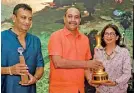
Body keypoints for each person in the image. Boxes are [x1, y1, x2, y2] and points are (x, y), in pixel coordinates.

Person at [48, 7, 103, 93]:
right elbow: (58, 63)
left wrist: (90, 79)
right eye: (70, 16)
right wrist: (87, 63)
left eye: (76, 17)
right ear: (64, 18)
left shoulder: (85, 39)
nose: (73, 20)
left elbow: (86, 66)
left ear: (80, 20)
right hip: (60, 90)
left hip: (79, 89)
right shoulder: (56, 36)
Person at [1, 3, 44, 93]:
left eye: (30, 19)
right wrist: (9, 70)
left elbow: (40, 67)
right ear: (14, 18)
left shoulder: (35, 40)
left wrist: (35, 78)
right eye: (23, 17)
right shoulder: (2, 38)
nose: (27, 22)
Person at [89, 24, 131, 93]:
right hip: (100, 91)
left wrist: (115, 82)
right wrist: (93, 81)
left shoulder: (124, 52)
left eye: (112, 34)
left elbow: (127, 73)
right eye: (106, 34)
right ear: (103, 37)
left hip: (118, 91)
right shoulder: (98, 51)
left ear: (117, 37)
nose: (109, 36)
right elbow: (93, 69)